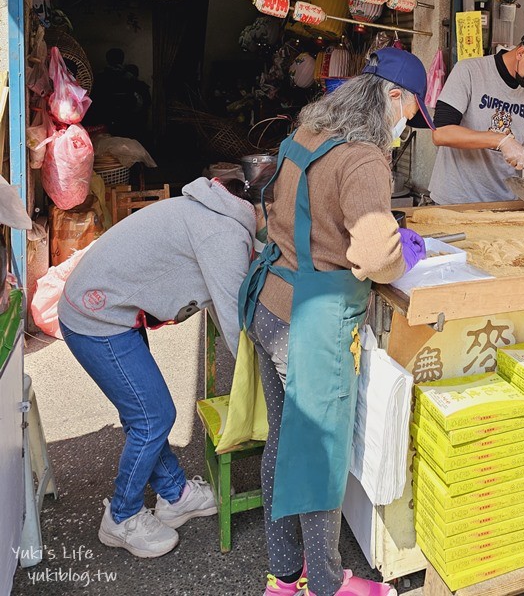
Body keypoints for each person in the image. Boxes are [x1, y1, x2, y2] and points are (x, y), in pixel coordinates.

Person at [238, 47, 433, 596]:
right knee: (319, 453)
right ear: (392, 98)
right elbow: (374, 255)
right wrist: (402, 253)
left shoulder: (307, 133)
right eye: (410, 113)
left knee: (282, 441)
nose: (406, 129)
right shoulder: (365, 158)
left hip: (269, 305)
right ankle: (326, 582)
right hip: (311, 322)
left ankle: (283, 574)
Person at [58, 176, 260, 559]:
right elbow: (235, 320)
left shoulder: (214, 211)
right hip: (96, 318)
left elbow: (220, 297)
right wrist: (264, 378)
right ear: (261, 210)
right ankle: (121, 516)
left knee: (145, 413)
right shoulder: (223, 236)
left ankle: (175, 494)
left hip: (109, 309)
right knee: (153, 417)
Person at [429, 24, 524, 215]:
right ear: (521, 53)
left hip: (504, 203)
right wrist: (501, 141)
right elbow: (441, 133)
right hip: (456, 201)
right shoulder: (470, 71)